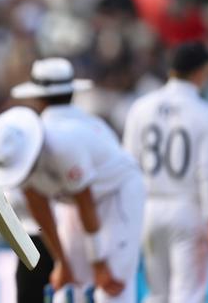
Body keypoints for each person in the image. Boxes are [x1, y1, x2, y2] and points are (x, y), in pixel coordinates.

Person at [8, 57, 145, 303]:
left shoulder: (63, 140)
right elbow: (39, 204)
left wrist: (100, 262)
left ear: (37, 98)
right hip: (78, 201)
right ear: (71, 92)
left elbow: (86, 200)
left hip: (117, 195)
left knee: (112, 287)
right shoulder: (32, 140)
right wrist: (62, 261)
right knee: (73, 284)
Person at [123, 41, 208, 303]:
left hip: (148, 208)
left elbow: (127, 166)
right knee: (188, 295)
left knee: (157, 294)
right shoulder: (206, 114)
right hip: (187, 208)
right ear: (199, 72)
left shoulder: (140, 107)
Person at [0, 106, 54, 303]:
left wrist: (62, 257)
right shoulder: (3, 161)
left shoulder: (35, 170)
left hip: (50, 236)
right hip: (29, 239)